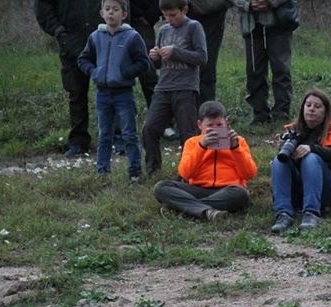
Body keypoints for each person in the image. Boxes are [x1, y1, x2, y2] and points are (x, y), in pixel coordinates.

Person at [77, 0, 152, 180]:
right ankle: (102, 172)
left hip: (123, 94)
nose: (111, 13)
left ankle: (134, 173)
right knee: (104, 134)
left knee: (129, 134)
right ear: (101, 12)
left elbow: (144, 63)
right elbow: (83, 59)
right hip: (102, 93)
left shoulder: (132, 37)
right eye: (107, 9)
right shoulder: (95, 37)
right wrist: (94, 72)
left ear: (123, 14)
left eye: (116, 10)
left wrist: (126, 73)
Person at [154, 100, 257, 221]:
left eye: (219, 125)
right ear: (200, 125)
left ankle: (184, 208)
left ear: (226, 122)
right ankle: (206, 211)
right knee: (161, 187)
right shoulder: (192, 142)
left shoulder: (238, 141)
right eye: (210, 126)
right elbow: (185, 174)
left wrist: (235, 148)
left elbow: (249, 174)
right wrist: (202, 146)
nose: (215, 129)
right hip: (198, 189)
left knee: (240, 193)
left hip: (227, 190)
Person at [270, 89, 331, 233]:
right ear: (302, 108)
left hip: (329, 191)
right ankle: (283, 214)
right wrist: (285, 149)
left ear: (325, 111)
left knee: (311, 159)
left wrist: (313, 149)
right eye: (308, 105)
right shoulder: (293, 132)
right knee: (279, 162)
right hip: (300, 189)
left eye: (317, 106)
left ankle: (311, 213)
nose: (312, 109)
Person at [141, 0, 207, 176]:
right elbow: (159, 63)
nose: (169, 19)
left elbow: (202, 57)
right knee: (150, 128)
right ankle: (153, 170)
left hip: (185, 87)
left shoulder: (194, 27)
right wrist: (154, 56)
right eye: (165, 16)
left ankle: (187, 172)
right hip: (163, 87)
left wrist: (175, 52)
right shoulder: (163, 30)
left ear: (184, 10)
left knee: (187, 133)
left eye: (173, 15)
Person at [34, 0, 103, 157]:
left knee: (111, 88)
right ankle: (78, 141)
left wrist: (118, 28)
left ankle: (116, 137)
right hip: (71, 40)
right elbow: (43, 8)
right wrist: (58, 31)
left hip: (103, 36)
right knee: (76, 92)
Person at [231, 0, 294, 124]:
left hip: (279, 22)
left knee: (281, 69)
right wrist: (247, 4)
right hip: (251, 24)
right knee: (254, 70)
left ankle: (281, 113)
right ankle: (259, 114)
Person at [188, 0, 230, 105]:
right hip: (185, 13)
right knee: (182, 65)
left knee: (206, 66)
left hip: (212, 17)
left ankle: (207, 111)